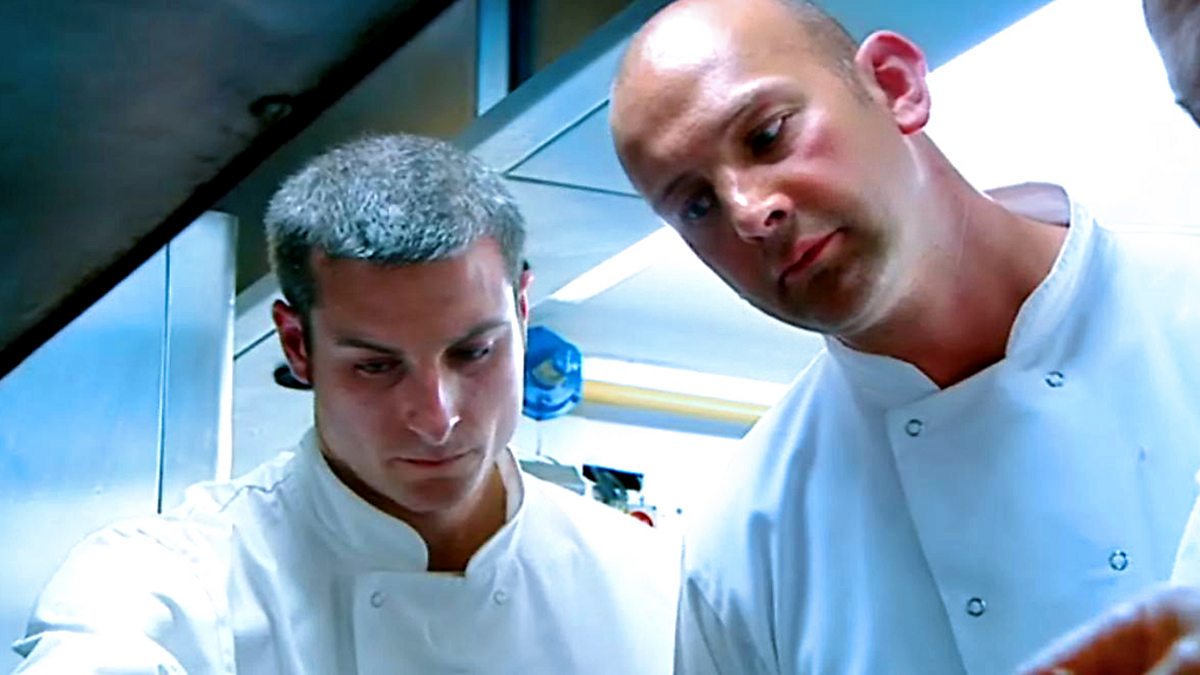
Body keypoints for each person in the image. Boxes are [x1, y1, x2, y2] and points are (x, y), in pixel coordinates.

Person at [608, 0, 1200, 672]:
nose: (749, 213)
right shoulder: (741, 544)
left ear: (895, 85)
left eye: (767, 136)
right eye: (696, 205)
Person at [10, 134, 678, 673]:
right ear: (297, 344)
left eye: (474, 352)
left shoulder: (651, 583)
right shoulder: (173, 583)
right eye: (377, 366)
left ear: (523, 311)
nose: (437, 417)